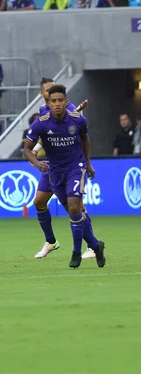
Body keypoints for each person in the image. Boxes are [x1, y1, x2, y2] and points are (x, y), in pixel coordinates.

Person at [23, 85, 105, 269]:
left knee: (75, 207)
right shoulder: (41, 122)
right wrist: (37, 163)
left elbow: (85, 139)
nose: (57, 104)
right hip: (55, 172)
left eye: (61, 100)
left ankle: (76, 253)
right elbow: (26, 148)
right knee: (71, 211)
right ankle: (95, 245)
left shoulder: (77, 120)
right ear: (48, 103)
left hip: (76, 168)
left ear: (66, 102)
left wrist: (88, 163)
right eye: (54, 101)